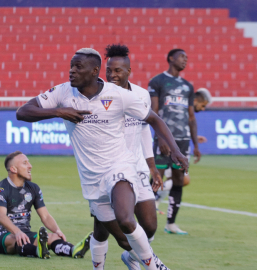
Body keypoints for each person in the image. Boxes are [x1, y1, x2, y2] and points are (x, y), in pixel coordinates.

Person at [16, 48, 188, 270]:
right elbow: (22, 112)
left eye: (78, 67)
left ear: (94, 71)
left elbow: (154, 119)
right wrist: (59, 112)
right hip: (91, 178)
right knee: (122, 239)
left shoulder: (118, 95)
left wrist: (175, 150)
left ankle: (154, 267)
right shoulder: (63, 92)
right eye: (71, 66)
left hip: (119, 166)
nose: (72, 71)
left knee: (127, 220)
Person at [89, 44, 165, 270]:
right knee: (102, 229)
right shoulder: (96, 97)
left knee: (149, 225)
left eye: (118, 70)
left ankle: (133, 258)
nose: (112, 74)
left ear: (129, 71)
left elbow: (144, 130)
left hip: (137, 167)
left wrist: (152, 167)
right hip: (106, 169)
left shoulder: (141, 95)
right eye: (109, 70)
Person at [0, 151, 92, 259]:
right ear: (13, 169)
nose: (30, 166)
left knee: (51, 237)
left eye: (29, 162)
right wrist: (17, 232)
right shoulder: (1, 189)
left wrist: (57, 230)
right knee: (15, 239)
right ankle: (37, 251)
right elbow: (0, 216)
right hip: (0, 236)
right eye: (25, 163)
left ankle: (73, 250)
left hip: (25, 232)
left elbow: (45, 216)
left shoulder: (33, 188)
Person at [148, 48, 200, 235]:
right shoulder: (157, 81)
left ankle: (171, 223)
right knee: (156, 178)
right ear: (171, 58)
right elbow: (154, 112)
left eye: (187, 57)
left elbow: (191, 117)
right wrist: (160, 137)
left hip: (183, 140)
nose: (185, 60)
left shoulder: (188, 86)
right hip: (164, 140)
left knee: (179, 180)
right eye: (182, 57)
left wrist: (196, 145)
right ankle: (145, 220)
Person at [154, 88, 212, 215]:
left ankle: (155, 201)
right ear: (195, 100)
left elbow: (179, 129)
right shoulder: (180, 109)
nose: (203, 109)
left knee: (174, 179)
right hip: (171, 148)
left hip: (177, 147)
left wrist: (195, 138)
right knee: (179, 180)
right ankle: (152, 201)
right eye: (203, 105)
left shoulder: (186, 111)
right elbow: (168, 126)